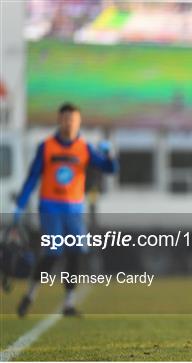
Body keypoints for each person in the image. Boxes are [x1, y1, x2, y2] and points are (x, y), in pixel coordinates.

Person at [14, 102, 118, 317]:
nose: (69, 122)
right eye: (65, 118)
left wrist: (108, 154)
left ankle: (68, 304)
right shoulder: (47, 146)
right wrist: (21, 204)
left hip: (74, 209)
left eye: (73, 118)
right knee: (53, 252)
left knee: (77, 252)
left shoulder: (84, 148)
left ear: (78, 121)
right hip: (50, 207)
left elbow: (110, 169)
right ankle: (30, 295)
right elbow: (33, 177)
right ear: (59, 120)